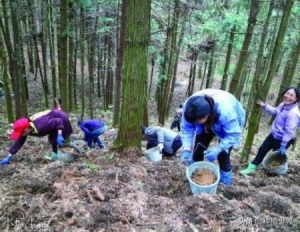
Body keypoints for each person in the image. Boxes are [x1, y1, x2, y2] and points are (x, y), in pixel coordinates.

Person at [180, 89, 246, 185]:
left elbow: (234, 134)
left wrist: (218, 148)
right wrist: (186, 149)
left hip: (228, 125)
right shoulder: (189, 107)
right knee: (198, 149)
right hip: (204, 118)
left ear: (207, 116)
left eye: (196, 121)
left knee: (223, 155)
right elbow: (186, 129)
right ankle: (195, 176)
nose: (194, 123)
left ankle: (225, 184)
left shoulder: (225, 112)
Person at [240, 86, 300, 175]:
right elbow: (276, 111)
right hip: (274, 134)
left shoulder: (293, 113)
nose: (288, 96)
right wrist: (265, 106)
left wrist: (283, 145)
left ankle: (272, 174)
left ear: (296, 99)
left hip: (283, 139)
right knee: (262, 149)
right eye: (287, 93)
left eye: (291, 95)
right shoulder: (283, 105)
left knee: (275, 158)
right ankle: (252, 167)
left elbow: (289, 131)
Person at [0, 109, 73, 165]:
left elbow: (58, 121)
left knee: (54, 139)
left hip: (61, 118)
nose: (21, 135)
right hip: (51, 120)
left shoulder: (41, 125)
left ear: (26, 130)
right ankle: (55, 155)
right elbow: (19, 142)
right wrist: (9, 156)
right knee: (52, 139)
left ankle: (67, 150)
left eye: (21, 133)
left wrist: (59, 135)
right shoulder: (26, 128)